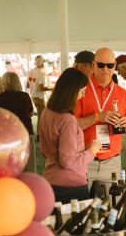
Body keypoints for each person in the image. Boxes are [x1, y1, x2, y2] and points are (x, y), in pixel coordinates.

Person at [75, 47, 126, 195]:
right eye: (101, 65)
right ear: (93, 65)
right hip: (84, 160)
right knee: (83, 209)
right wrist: (97, 117)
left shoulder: (123, 94)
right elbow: (70, 125)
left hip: (112, 162)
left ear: (115, 66)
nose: (106, 69)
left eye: (110, 65)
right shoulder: (80, 90)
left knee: (112, 208)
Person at [39, 68, 102, 204]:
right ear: (72, 91)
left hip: (50, 180)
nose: (83, 95)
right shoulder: (68, 120)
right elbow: (68, 161)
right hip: (70, 186)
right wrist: (91, 152)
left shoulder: (46, 112)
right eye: (82, 91)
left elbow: (44, 150)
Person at [27, 55, 52, 136]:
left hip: (33, 96)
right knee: (41, 118)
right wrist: (51, 89)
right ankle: (39, 134)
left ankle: (39, 133)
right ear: (41, 63)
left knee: (40, 116)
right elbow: (41, 88)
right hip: (39, 97)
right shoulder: (40, 73)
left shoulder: (31, 71)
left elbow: (27, 85)